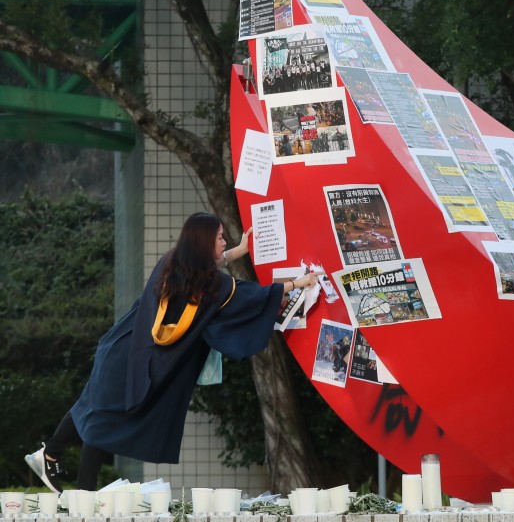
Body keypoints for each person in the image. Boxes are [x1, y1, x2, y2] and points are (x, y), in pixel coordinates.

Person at [24, 212, 321, 494]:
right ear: (205, 242)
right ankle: (84, 495)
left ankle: (49, 456)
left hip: (120, 346)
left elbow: (207, 272)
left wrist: (235, 253)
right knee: (103, 420)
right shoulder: (211, 284)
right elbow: (252, 295)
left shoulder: (173, 262)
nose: (224, 242)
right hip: (135, 358)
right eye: (219, 238)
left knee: (92, 405)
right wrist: (298, 283)